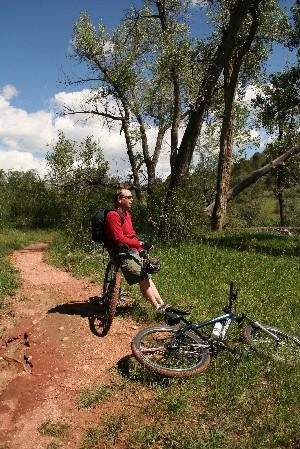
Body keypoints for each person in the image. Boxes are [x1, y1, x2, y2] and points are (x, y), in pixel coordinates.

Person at [103, 186, 167, 311]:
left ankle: (162, 304)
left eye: (132, 197)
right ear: (119, 199)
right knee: (141, 276)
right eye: (128, 197)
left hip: (131, 250)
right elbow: (119, 239)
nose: (132, 200)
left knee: (146, 274)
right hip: (119, 252)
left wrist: (139, 248)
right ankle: (157, 307)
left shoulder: (127, 214)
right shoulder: (113, 215)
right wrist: (141, 243)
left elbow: (132, 235)